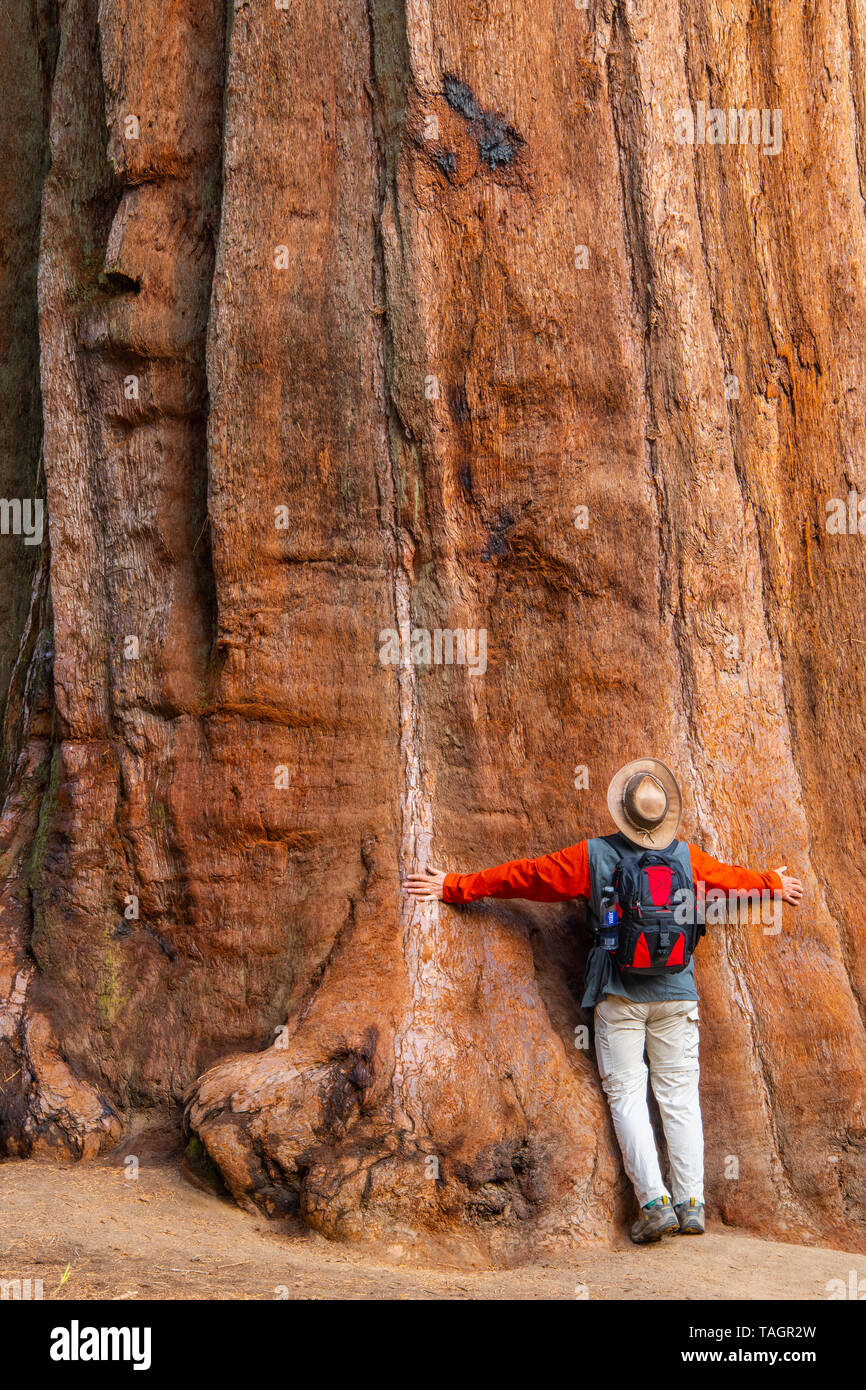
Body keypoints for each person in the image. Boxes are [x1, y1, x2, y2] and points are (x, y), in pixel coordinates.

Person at [404, 757, 803, 1243]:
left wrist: (454, 885)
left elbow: (525, 876)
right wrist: (773, 884)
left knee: (628, 1096)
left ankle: (653, 1203)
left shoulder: (591, 856)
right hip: (677, 993)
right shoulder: (688, 858)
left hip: (618, 996)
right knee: (679, 1097)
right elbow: (729, 879)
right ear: (663, 819)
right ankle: (691, 1203)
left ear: (623, 812)